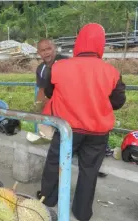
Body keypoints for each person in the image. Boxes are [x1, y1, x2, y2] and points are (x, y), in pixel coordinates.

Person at [37, 23, 126, 221]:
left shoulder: (59, 67)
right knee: (89, 171)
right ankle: (82, 212)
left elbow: (50, 93)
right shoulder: (111, 72)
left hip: (67, 129)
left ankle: (47, 199)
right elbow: (118, 102)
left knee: (54, 163)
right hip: (97, 133)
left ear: (78, 43)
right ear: (101, 44)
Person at [34, 39, 68, 113]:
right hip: (53, 107)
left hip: (68, 106)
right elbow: (41, 90)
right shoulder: (41, 69)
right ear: (38, 53)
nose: (46, 52)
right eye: (43, 50)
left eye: (49, 49)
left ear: (55, 48)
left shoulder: (66, 62)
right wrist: (38, 108)